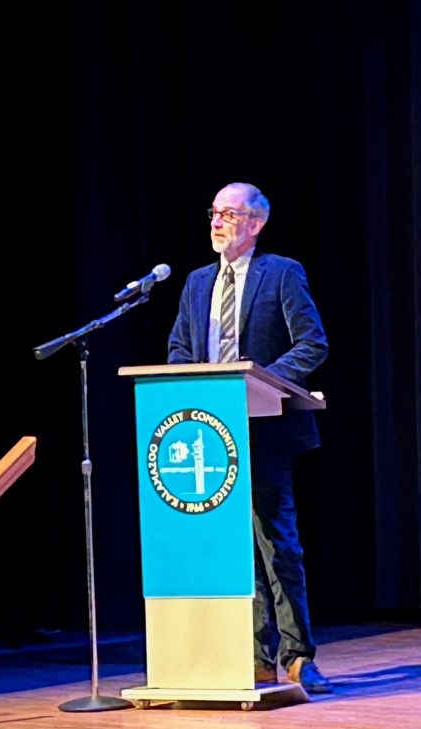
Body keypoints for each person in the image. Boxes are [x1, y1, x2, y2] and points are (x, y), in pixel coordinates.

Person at [167, 182, 331, 694]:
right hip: (211, 431)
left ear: (255, 224)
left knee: (276, 543)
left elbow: (312, 343)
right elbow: (179, 349)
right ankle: (257, 658)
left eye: (229, 214)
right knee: (234, 546)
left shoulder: (280, 273)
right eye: (214, 213)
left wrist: (260, 382)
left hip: (266, 428)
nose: (217, 222)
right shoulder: (197, 282)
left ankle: (297, 655)